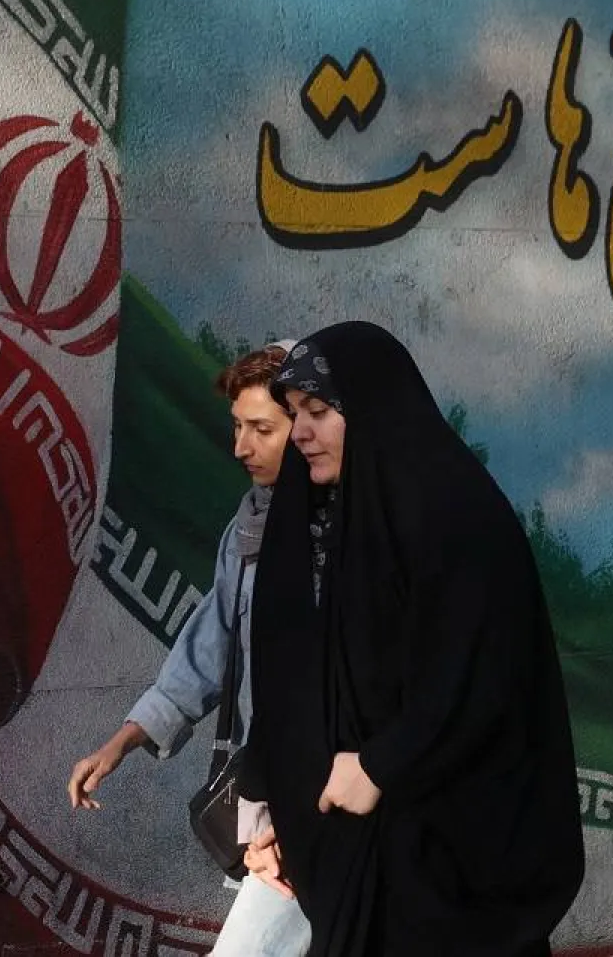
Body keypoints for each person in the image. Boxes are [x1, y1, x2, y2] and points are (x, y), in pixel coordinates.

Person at [240, 322, 584, 956]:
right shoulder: (331, 521)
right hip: (348, 848)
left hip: (445, 857)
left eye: (319, 411)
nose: (302, 432)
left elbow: (482, 673)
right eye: (294, 414)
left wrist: (381, 764)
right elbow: (293, 671)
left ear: (373, 409)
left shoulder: (455, 516)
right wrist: (274, 808)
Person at [67, 342, 312, 957]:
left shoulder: (344, 538)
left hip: (321, 809)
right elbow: (214, 640)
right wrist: (125, 739)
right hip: (272, 803)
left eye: (262, 429)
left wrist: (291, 817)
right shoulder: (251, 526)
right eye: (237, 428)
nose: (241, 448)